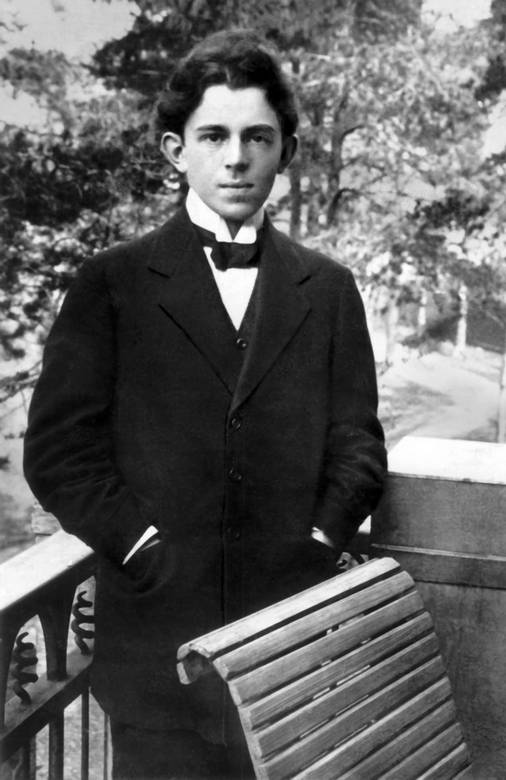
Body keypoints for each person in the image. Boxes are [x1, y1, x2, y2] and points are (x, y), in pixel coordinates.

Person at [23, 29, 387, 780]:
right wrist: (142, 548)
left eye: (258, 137)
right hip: (155, 651)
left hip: (287, 644)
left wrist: (317, 542)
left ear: (286, 150)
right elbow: (58, 453)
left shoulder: (329, 289)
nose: (236, 158)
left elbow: (358, 442)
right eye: (213, 135)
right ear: (175, 150)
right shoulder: (112, 283)